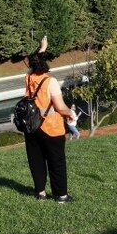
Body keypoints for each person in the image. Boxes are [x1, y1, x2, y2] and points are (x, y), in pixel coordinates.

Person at [24, 36, 75, 203]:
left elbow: (34, 63)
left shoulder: (29, 77)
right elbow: (60, 107)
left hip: (32, 127)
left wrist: (42, 48)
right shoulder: (50, 81)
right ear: (45, 64)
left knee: (36, 160)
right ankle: (61, 195)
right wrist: (70, 113)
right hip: (50, 128)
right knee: (56, 161)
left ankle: (40, 193)